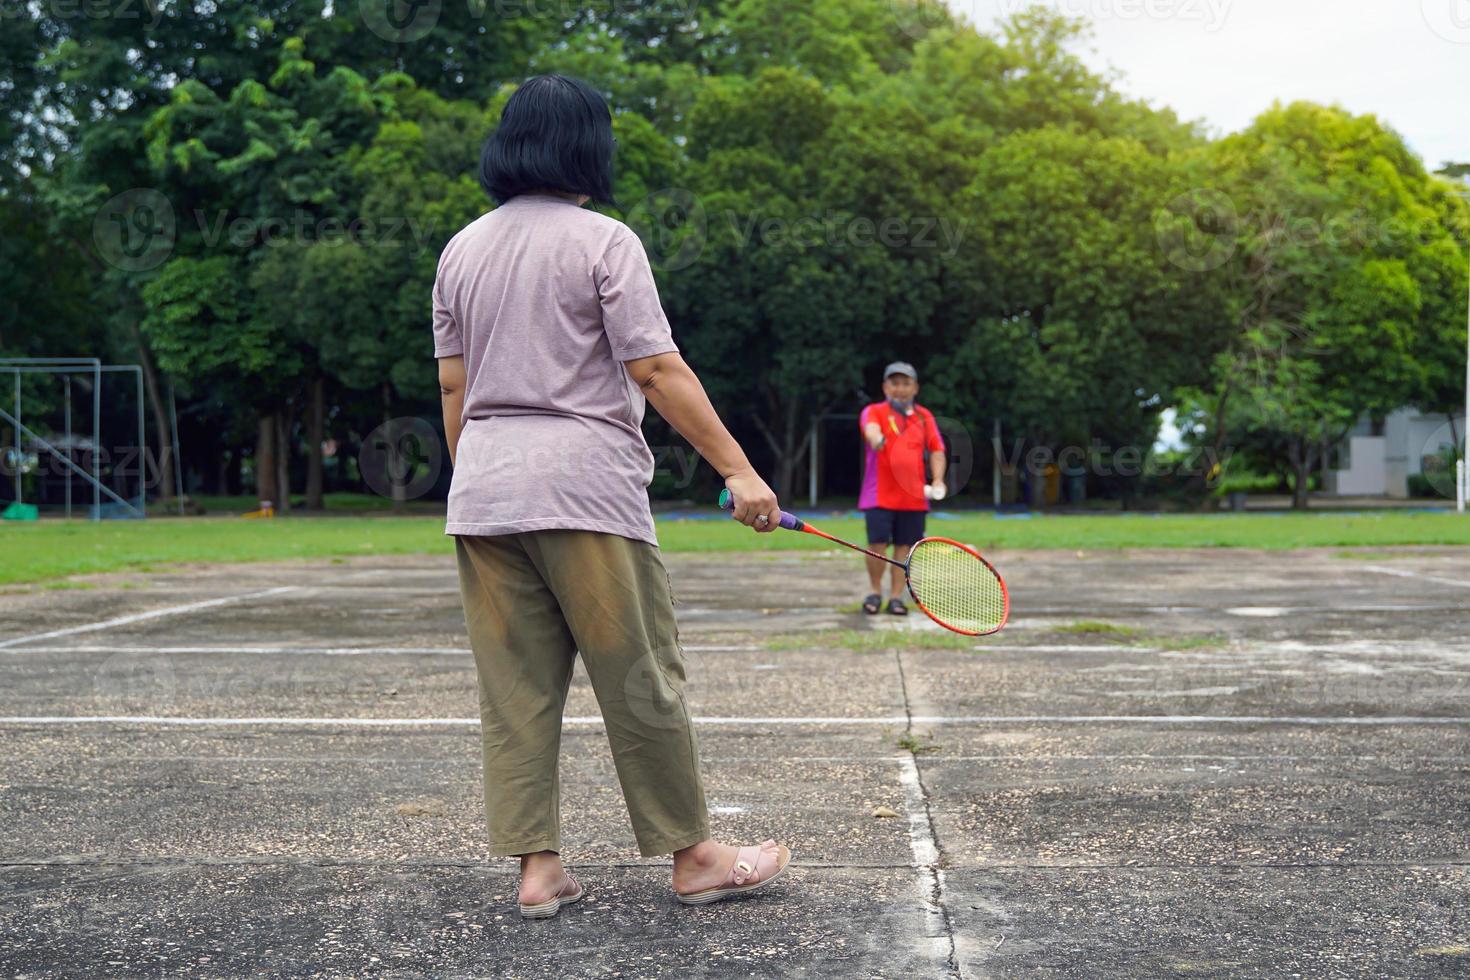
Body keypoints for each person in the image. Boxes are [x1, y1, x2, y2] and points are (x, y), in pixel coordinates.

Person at [432, 74, 791, 917]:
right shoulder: (605, 240)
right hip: (583, 488)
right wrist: (738, 469)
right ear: (588, 147)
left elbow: (454, 387)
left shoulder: (461, 249)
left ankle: (538, 870)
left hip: (485, 492)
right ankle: (696, 856)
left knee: (515, 688)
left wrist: (477, 479)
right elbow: (656, 369)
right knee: (639, 679)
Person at [858, 362, 947, 615]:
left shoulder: (923, 416)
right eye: (894, 383)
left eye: (906, 383)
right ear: (886, 387)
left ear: (915, 387)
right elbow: (871, 431)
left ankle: (896, 597)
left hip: (913, 496)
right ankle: (875, 592)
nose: (900, 388)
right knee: (876, 545)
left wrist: (938, 480)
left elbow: (937, 449)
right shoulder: (874, 411)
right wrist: (878, 440)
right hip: (879, 494)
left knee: (904, 548)